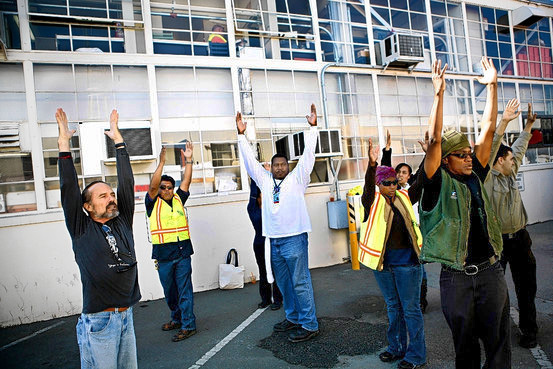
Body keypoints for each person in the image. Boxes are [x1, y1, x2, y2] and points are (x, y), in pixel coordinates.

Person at [419, 58, 510, 369]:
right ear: (446, 160)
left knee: (499, 346)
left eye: (469, 153)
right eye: (460, 155)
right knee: (466, 350)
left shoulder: (475, 176)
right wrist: (438, 94)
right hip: (456, 279)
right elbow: (433, 142)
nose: (469, 159)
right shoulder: (435, 185)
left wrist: (493, 86)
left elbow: (488, 128)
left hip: (490, 272)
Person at [56, 108, 140, 369]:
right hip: (100, 322)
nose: (111, 198)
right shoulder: (81, 227)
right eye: (102, 196)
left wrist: (119, 142)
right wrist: (63, 145)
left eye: (110, 194)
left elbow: (126, 184)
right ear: (88, 207)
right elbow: (69, 189)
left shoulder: (122, 221)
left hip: (126, 317)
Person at [236, 104, 319, 343]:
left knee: (300, 283)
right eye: (276, 165)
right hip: (274, 242)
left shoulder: (298, 179)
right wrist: (241, 136)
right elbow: (251, 163)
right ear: (271, 168)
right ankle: (293, 318)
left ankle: (309, 323)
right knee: (284, 283)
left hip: (295, 238)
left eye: (283, 164)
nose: (280, 167)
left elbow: (308, 156)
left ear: (288, 166)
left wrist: (312, 129)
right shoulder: (264, 181)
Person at [359, 139, 426, 369]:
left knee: (411, 310)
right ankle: (396, 348)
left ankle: (416, 356)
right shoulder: (372, 201)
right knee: (393, 307)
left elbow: (422, 179)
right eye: (387, 183)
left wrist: (429, 155)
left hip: (408, 265)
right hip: (384, 266)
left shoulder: (405, 197)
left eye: (395, 183)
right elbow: (368, 188)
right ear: (379, 184)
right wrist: (371, 164)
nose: (392, 187)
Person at [484, 99, 539, 348]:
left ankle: (529, 330)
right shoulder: (486, 177)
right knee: (496, 293)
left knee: (527, 289)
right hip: (497, 244)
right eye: (508, 159)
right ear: (498, 161)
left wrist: (527, 126)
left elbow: (518, 148)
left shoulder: (510, 169)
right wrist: (504, 121)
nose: (513, 161)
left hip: (520, 238)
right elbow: (493, 146)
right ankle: (495, 333)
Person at [146, 143, 197, 342]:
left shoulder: (178, 199)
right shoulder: (152, 202)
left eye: (169, 187)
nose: (166, 190)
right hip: (164, 255)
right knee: (170, 292)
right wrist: (161, 163)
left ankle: (188, 325)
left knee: (184, 291)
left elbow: (187, 181)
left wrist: (190, 160)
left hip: (183, 252)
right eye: (163, 187)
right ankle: (176, 319)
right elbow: (152, 185)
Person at [381, 130, 428, 313]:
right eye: (398, 172)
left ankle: (421, 300)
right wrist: (387, 151)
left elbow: (425, 172)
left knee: (420, 270)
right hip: (398, 239)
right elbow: (384, 174)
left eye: (404, 172)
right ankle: (404, 301)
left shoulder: (411, 190)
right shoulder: (391, 192)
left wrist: (428, 152)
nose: (400, 175)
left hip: (415, 235)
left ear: (409, 176)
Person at [247, 171, 283, 310]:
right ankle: (266, 299)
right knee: (263, 271)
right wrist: (255, 177)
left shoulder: (273, 207)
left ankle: (278, 300)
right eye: (261, 195)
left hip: (273, 243)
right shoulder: (252, 209)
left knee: (275, 271)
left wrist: (269, 176)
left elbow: (276, 192)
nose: (263, 197)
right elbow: (253, 194)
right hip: (260, 244)